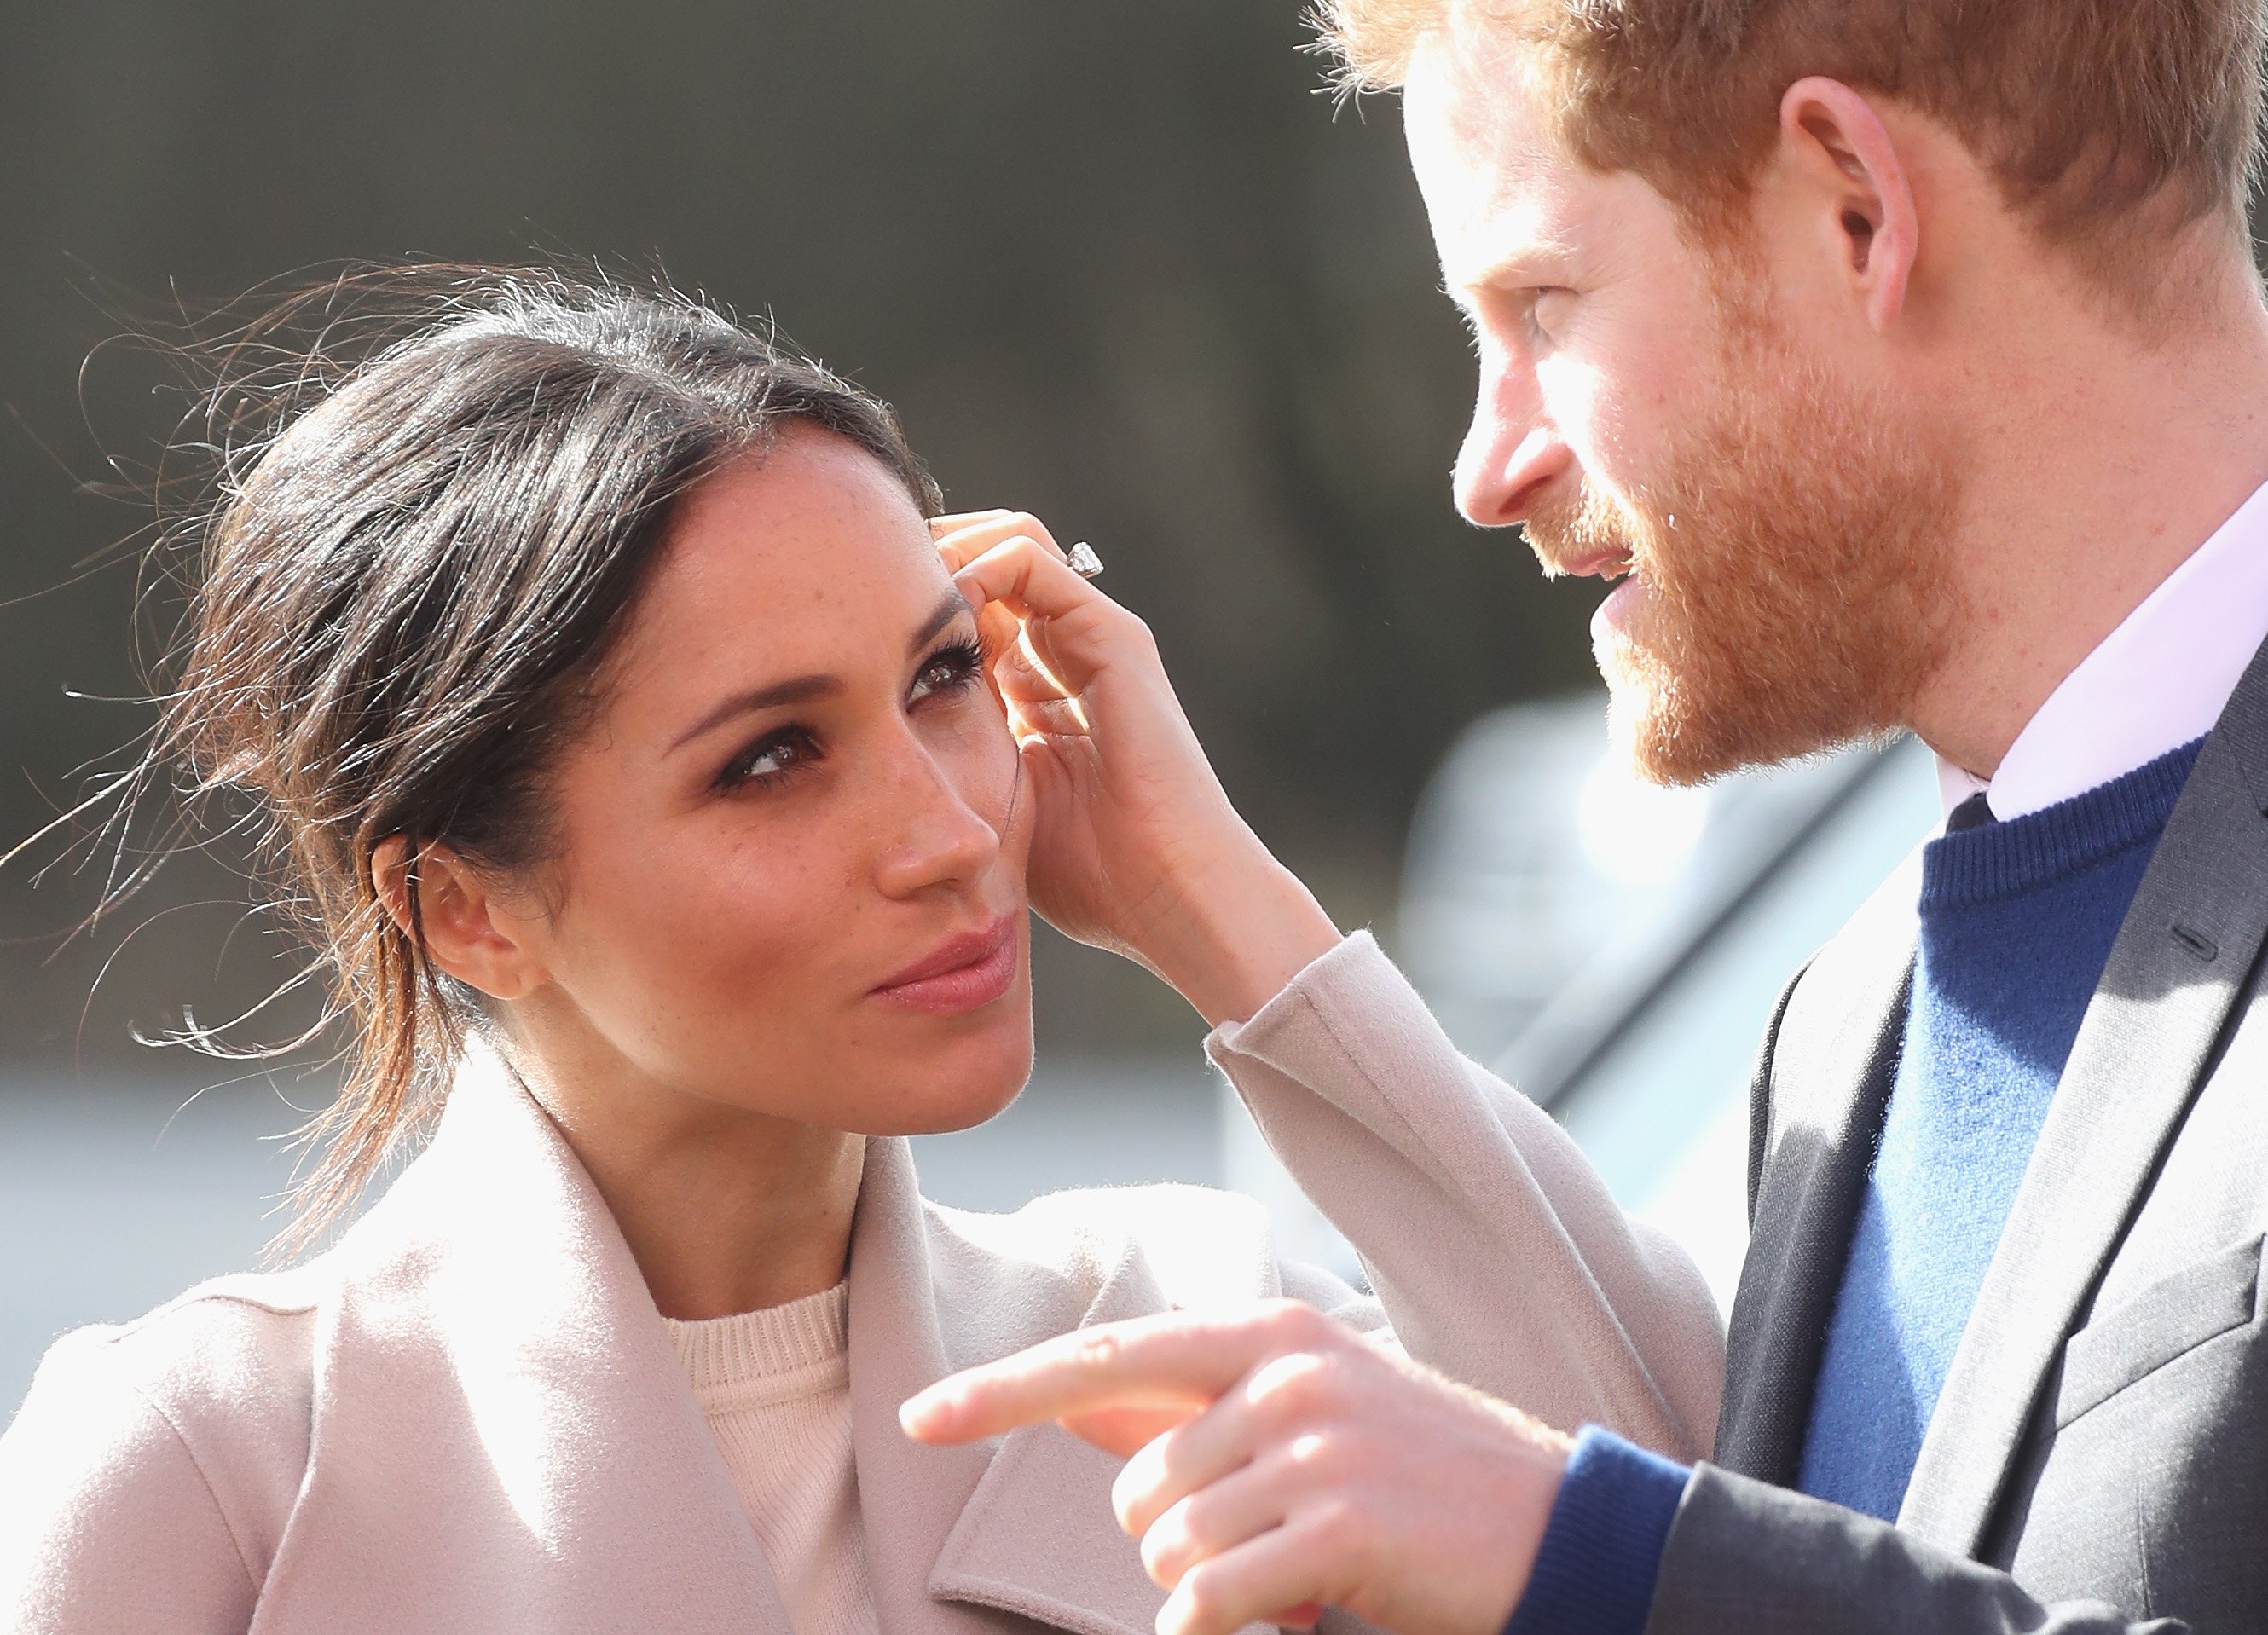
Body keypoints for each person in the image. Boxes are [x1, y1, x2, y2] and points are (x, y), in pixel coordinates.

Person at [0, 270, 1722, 1633]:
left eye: (940, 680)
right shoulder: (207, 1471)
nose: (953, 831)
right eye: (770, 756)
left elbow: (1696, 1538)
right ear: (466, 906)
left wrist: (1212, 898)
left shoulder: (1179, 1337)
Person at [903, 3, 2268, 1633]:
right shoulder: (1849, 1022)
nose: (1488, 463)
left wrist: (1592, 1560)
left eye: (1542, 304)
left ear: (1855, 203)